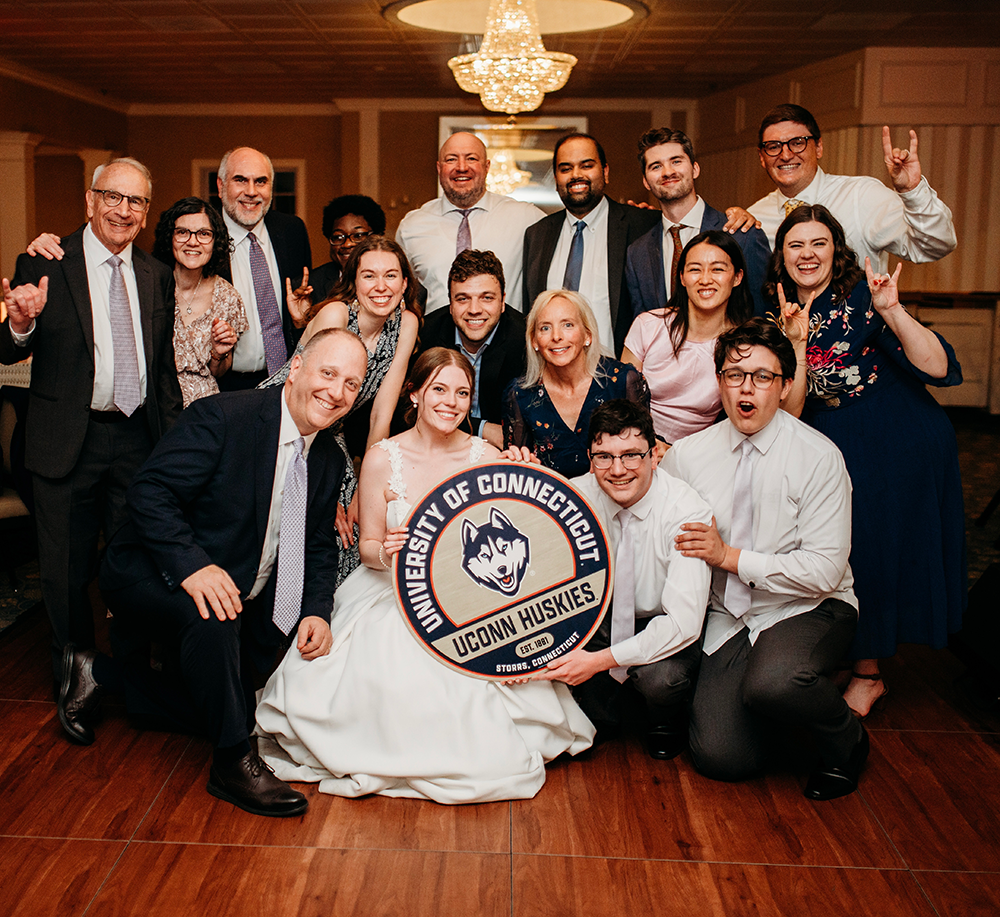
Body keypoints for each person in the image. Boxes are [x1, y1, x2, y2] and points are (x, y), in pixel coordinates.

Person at [256, 347, 594, 803]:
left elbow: (525, 531)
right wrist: (386, 553)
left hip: (472, 598)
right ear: (414, 394)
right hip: (391, 591)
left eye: (461, 393)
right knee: (387, 676)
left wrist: (528, 475)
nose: (450, 402)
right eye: (438, 389)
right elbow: (369, 545)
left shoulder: (485, 454)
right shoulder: (381, 458)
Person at [57, 329, 368, 818]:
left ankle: (101, 674)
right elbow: (149, 494)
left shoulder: (327, 457)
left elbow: (317, 547)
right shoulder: (225, 416)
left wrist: (317, 612)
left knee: (243, 708)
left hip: (245, 587)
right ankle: (231, 764)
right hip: (151, 568)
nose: (336, 391)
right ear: (298, 367)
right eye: (328, 373)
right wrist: (194, 567)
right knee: (216, 623)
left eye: (352, 383)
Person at [766, 204, 965, 719]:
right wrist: (794, 341)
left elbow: (940, 367)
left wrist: (893, 310)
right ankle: (849, 654)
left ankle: (868, 674)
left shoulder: (863, 296)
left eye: (819, 244)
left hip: (894, 434)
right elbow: (789, 408)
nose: (807, 254)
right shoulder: (777, 309)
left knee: (870, 551)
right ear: (781, 256)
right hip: (829, 434)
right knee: (836, 549)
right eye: (795, 245)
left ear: (837, 250)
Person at [665, 318, 868, 800]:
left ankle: (846, 741)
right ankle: (773, 717)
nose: (746, 388)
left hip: (809, 606)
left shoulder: (819, 457)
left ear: (786, 384)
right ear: (719, 383)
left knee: (776, 683)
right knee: (721, 759)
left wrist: (729, 557)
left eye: (762, 376)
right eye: (735, 375)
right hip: (728, 617)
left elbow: (823, 570)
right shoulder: (688, 456)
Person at [0, 157, 182, 679]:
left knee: (131, 564)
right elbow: (9, 352)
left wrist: (169, 454)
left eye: (136, 201)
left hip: (136, 441)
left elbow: (163, 372)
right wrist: (18, 323)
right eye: (113, 196)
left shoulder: (156, 275)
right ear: (90, 200)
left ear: (147, 212)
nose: (123, 210)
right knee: (63, 572)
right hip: (65, 441)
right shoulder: (46, 261)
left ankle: (127, 673)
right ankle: (75, 675)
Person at [533, 399, 711, 760]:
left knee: (661, 681)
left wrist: (596, 663)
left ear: (655, 454)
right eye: (604, 457)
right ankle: (603, 709)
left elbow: (683, 623)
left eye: (631, 455)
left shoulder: (687, 511)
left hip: (664, 621)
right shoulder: (574, 496)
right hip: (599, 619)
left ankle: (665, 718)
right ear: (590, 457)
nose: (617, 470)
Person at [264, 235, 420, 585]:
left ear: (405, 282)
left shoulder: (405, 323)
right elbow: (302, 395)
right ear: (354, 281)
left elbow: (382, 412)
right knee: (312, 511)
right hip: (281, 419)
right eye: (369, 275)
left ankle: (326, 618)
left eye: (391, 275)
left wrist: (367, 485)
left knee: (356, 524)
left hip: (328, 430)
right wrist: (319, 482)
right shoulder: (336, 313)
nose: (381, 286)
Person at [748, 104, 957, 274]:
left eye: (797, 143)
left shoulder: (861, 195)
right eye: (773, 146)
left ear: (818, 147)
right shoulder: (755, 218)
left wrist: (912, 191)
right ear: (762, 157)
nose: (785, 155)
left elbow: (934, 246)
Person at [522, 133, 660, 356]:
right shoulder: (537, 234)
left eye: (586, 166)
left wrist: (736, 218)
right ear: (556, 178)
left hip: (618, 376)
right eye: (565, 169)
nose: (576, 175)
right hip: (550, 378)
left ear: (605, 172)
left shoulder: (643, 225)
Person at [622, 230, 754, 445]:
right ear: (682, 277)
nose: (705, 279)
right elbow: (621, 401)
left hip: (697, 453)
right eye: (695, 270)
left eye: (718, 269)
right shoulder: (649, 325)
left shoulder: (742, 346)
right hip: (634, 443)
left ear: (737, 277)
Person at [625, 128, 771, 317]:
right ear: (645, 181)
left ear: (695, 169)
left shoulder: (743, 235)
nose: (668, 172)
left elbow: (763, 316)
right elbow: (643, 330)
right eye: (656, 166)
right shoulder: (637, 253)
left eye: (676, 161)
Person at [503, 290, 649, 478]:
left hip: (618, 496)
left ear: (587, 335)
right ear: (534, 341)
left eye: (568, 325)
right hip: (554, 502)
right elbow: (519, 475)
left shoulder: (624, 381)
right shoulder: (519, 394)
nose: (556, 336)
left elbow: (643, 456)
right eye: (545, 328)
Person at [396, 131, 544, 313]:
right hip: (436, 339)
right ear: (439, 168)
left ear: (487, 166)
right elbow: (398, 292)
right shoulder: (412, 226)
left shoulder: (526, 218)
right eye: (451, 159)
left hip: (508, 339)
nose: (461, 167)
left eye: (471, 158)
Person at [214, 147, 312, 390]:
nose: (251, 192)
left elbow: (303, 308)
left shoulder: (292, 231)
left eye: (260, 182)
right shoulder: (202, 236)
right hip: (223, 385)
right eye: (240, 180)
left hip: (286, 382)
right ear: (220, 186)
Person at [419, 249, 526, 449]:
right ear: (450, 303)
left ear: (503, 301)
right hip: (436, 446)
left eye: (486, 298)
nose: (474, 309)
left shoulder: (525, 340)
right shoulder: (425, 335)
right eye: (462, 299)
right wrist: (482, 428)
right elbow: (407, 411)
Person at [151, 197, 248, 407]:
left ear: (216, 241)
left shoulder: (228, 297)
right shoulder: (150, 287)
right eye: (182, 232)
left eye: (204, 234)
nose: (193, 242)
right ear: (170, 237)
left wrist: (218, 353)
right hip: (156, 406)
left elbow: (218, 372)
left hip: (204, 411)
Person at [310, 194, 386, 302]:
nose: (347, 244)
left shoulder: (399, 283)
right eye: (338, 237)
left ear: (377, 237)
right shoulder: (311, 287)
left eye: (358, 236)